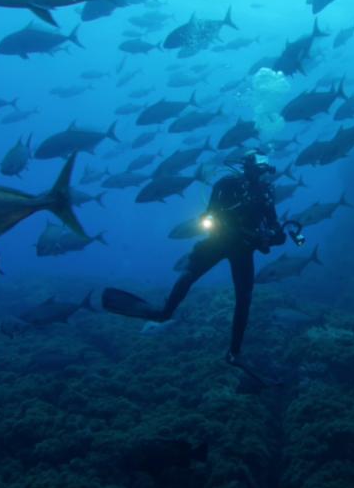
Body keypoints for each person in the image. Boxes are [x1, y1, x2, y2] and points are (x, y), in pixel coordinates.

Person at [102, 150, 295, 383]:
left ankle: (234, 352)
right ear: (246, 166)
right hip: (219, 241)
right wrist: (241, 231)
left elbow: (273, 223)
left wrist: (276, 236)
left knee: (244, 298)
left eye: (264, 166)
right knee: (190, 274)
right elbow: (211, 215)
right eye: (258, 166)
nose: (261, 171)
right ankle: (163, 313)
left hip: (244, 249)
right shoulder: (227, 184)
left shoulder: (266, 192)